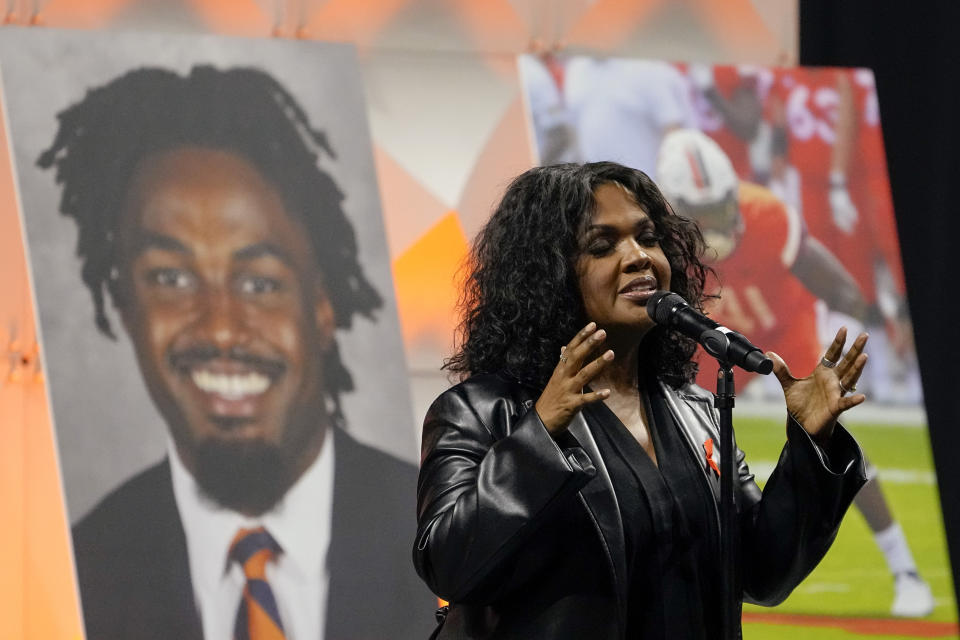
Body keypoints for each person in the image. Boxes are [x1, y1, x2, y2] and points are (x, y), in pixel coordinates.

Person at [38, 66, 433, 640]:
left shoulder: (442, 532)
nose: (220, 328)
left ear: (322, 306)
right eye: (170, 277)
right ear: (123, 304)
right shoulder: (77, 574)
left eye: (259, 282)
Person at [413, 161, 868, 639]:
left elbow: (762, 572)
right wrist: (540, 435)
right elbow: (448, 565)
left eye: (648, 238)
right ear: (546, 276)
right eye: (602, 246)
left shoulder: (696, 412)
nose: (638, 257)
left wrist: (810, 448)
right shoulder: (480, 412)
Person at [656, 128, 934, 618]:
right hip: (713, 334)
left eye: (723, 205)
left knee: (828, 437)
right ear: (676, 211)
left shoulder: (764, 215)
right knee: (680, 442)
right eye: (705, 212)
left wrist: (867, 318)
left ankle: (905, 568)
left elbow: (834, 283)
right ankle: (677, 566)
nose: (721, 220)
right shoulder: (660, 244)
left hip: (785, 327)